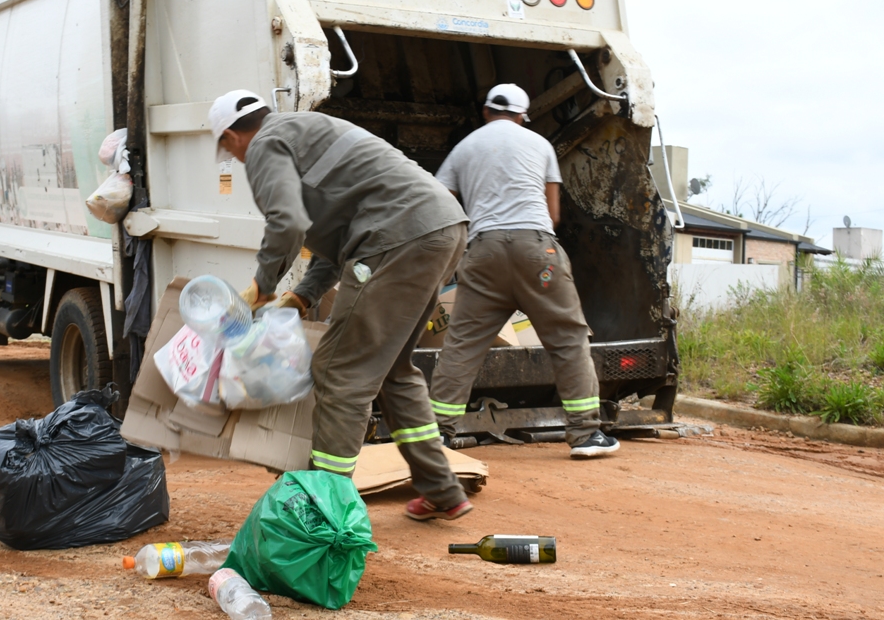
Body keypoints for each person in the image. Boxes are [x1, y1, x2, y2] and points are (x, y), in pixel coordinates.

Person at [210, 89, 474, 520]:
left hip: (398, 236)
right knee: (391, 370)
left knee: (339, 372)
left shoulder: (263, 144)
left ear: (231, 136)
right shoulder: (301, 132)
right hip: (441, 226)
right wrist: (301, 296)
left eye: (227, 146)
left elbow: (288, 221)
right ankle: (443, 490)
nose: (233, 157)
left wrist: (262, 285)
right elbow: (338, 241)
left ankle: (324, 508)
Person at [428, 84, 619, 459]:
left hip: (482, 254)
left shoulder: (463, 149)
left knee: (462, 345)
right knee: (566, 337)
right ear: (522, 115)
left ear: (486, 112)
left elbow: (438, 202)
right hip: (537, 254)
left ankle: (437, 436)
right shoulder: (540, 145)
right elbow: (553, 215)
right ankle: (585, 435)